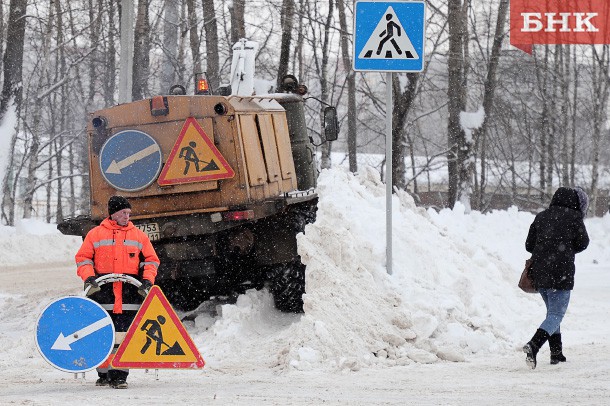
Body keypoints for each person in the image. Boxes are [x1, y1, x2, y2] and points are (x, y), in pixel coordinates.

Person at [75, 196, 160, 388]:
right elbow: (83, 259)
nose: (127, 216)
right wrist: (89, 278)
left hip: (130, 294)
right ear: (113, 213)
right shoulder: (95, 234)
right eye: (123, 213)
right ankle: (103, 374)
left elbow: (151, 261)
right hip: (102, 293)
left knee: (123, 335)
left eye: (129, 213)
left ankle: (120, 375)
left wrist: (147, 281)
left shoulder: (138, 236)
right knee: (102, 334)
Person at [523, 186, 589, 369]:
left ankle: (556, 353)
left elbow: (529, 245)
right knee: (556, 314)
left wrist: (546, 248)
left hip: (540, 273)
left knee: (552, 314)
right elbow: (584, 243)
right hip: (561, 272)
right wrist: (565, 249)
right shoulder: (574, 218)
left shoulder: (541, 216)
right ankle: (534, 345)